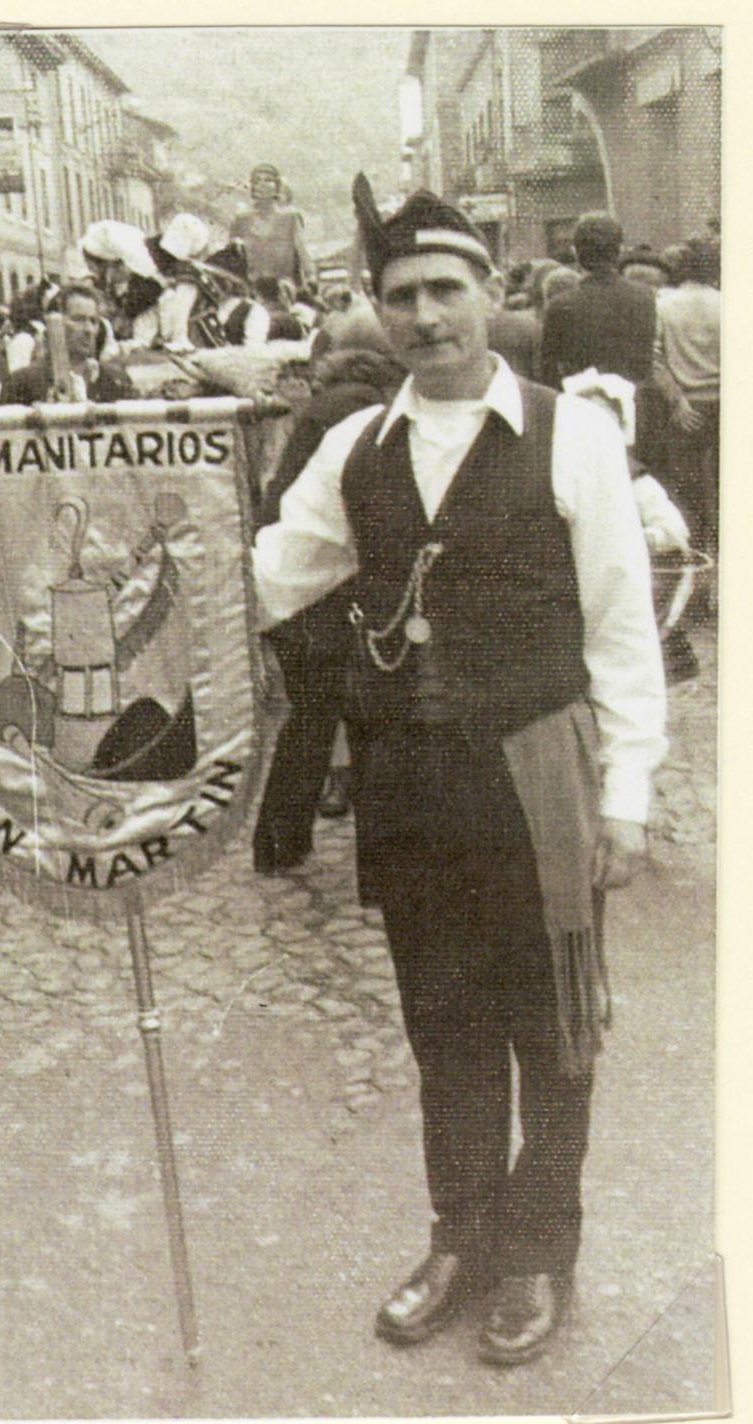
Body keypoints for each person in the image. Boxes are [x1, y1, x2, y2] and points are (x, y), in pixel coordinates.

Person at [252, 176, 666, 1366]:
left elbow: (623, 628)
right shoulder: (354, 446)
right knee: (445, 1028)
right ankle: (463, 1233)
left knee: (553, 1031)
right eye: (400, 296)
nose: (426, 316)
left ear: (490, 294)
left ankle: (540, 1254)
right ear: (373, 309)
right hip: (411, 792)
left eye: (446, 290)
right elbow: (282, 569)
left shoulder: (570, 431)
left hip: (537, 781)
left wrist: (626, 798)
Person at [253, 319, 405, 873]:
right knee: (344, 717)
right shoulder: (361, 412)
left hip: (293, 580)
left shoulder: (332, 401)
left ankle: (280, 842)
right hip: (314, 587)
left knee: (314, 717)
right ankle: (368, 861)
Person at [652, 240, 721, 563]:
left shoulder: (664, 304)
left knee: (686, 485)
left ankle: (694, 558)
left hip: (685, 406)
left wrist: (676, 400)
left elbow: (654, 358)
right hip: (724, 402)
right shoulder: (730, 304)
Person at [539, 211, 657, 390]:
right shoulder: (645, 297)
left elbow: (548, 372)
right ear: (618, 250)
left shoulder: (560, 306)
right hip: (634, 403)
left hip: (582, 406)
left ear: (576, 252)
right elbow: (645, 364)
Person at [0, 285, 137, 404]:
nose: (88, 330)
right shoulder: (22, 384)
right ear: (54, 324)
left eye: (93, 321)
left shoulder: (117, 380)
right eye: (78, 320)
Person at [230, 163, 314, 291]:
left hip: (285, 287)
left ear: (277, 186)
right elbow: (232, 254)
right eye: (257, 181)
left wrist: (311, 278)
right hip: (252, 287)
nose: (262, 184)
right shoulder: (242, 218)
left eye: (268, 180)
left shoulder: (290, 217)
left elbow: (303, 251)